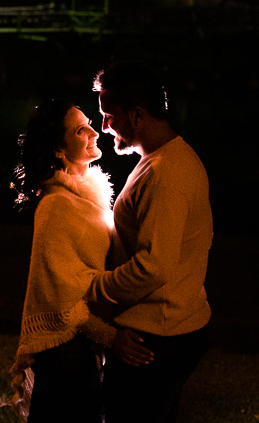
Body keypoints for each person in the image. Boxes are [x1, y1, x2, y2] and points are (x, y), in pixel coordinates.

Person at [10, 99, 155, 423]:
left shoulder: (86, 202)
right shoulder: (56, 207)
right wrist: (110, 337)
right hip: (64, 348)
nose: (94, 131)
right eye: (80, 129)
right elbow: (61, 295)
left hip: (78, 346)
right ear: (59, 150)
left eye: (89, 122)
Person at [86, 62, 213, 423]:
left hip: (155, 336)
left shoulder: (166, 175)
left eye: (110, 116)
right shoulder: (161, 159)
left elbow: (154, 265)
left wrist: (94, 287)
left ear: (137, 115)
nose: (104, 126)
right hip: (168, 327)